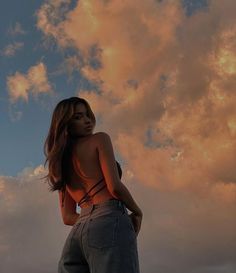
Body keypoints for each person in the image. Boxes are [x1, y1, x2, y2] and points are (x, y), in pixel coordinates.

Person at [43, 96, 143, 273]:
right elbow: (114, 187)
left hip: (77, 235)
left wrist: (89, 218)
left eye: (87, 115)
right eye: (78, 117)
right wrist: (137, 212)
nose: (87, 121)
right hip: (109, 220)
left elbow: (67, 217)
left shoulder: (60, 162)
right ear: (66, 124)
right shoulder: (100, 139)